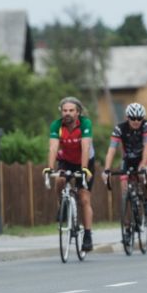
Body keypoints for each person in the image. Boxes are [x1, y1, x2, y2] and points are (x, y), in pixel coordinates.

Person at [44, 96, 96, 252]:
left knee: (84, 198)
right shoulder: (57, 125)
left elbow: (86, 147)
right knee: (60, 180)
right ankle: (62, 205)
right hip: (66, 160)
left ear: (78, 112)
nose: (67, 113)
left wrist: (84, 168)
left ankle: (87, 235)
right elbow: (53, 147)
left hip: (85, 161)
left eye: (71, 110)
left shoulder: (85, 123)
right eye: (64, 110)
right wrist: (49, 167)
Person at [102, 102, 147, 244]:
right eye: (133, 118)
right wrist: (106, 169)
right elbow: (112, 149)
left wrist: (142, 165)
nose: (136, 121)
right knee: (125, 190)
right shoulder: (119, 128)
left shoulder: (146, 126)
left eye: (139, 118)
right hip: (128, 159)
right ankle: (127, 229)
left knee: (143, 175)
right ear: (127, 117)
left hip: (144, 157)